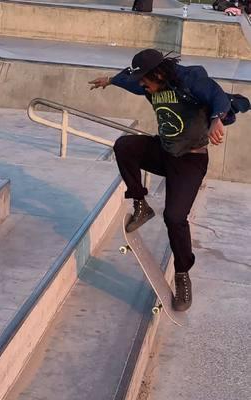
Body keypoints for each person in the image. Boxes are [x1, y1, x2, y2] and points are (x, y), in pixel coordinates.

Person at [88, 49, 231, 312]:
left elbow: (217, 96)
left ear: (159, 73)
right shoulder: (145, 82)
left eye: (146, 81)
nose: (144, 87)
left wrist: (216, 120)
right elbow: (127, 79)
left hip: (190, 161)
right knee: (125, 146)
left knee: (175, 218)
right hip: (164, 152)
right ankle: (141, 204)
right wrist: (108, 80)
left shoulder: (190, 79)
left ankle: (182, 276)